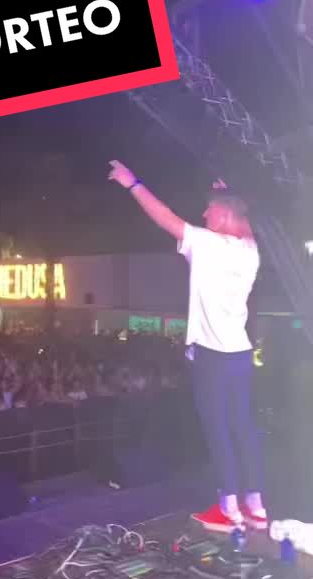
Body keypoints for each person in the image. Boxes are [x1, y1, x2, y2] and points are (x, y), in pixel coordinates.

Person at [108, 160, 266, 533]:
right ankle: (256, 506)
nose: (204, 214)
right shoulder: (251, 249)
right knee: (243, 427)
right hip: (240, 354)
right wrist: (229, 195)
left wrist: (132, 183)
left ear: (224, 214)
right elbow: (243, 220)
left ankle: (228, 509)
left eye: (210, 209)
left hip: (213, 356)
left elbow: (165, 217)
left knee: (218, 430)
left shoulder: (209, 245)